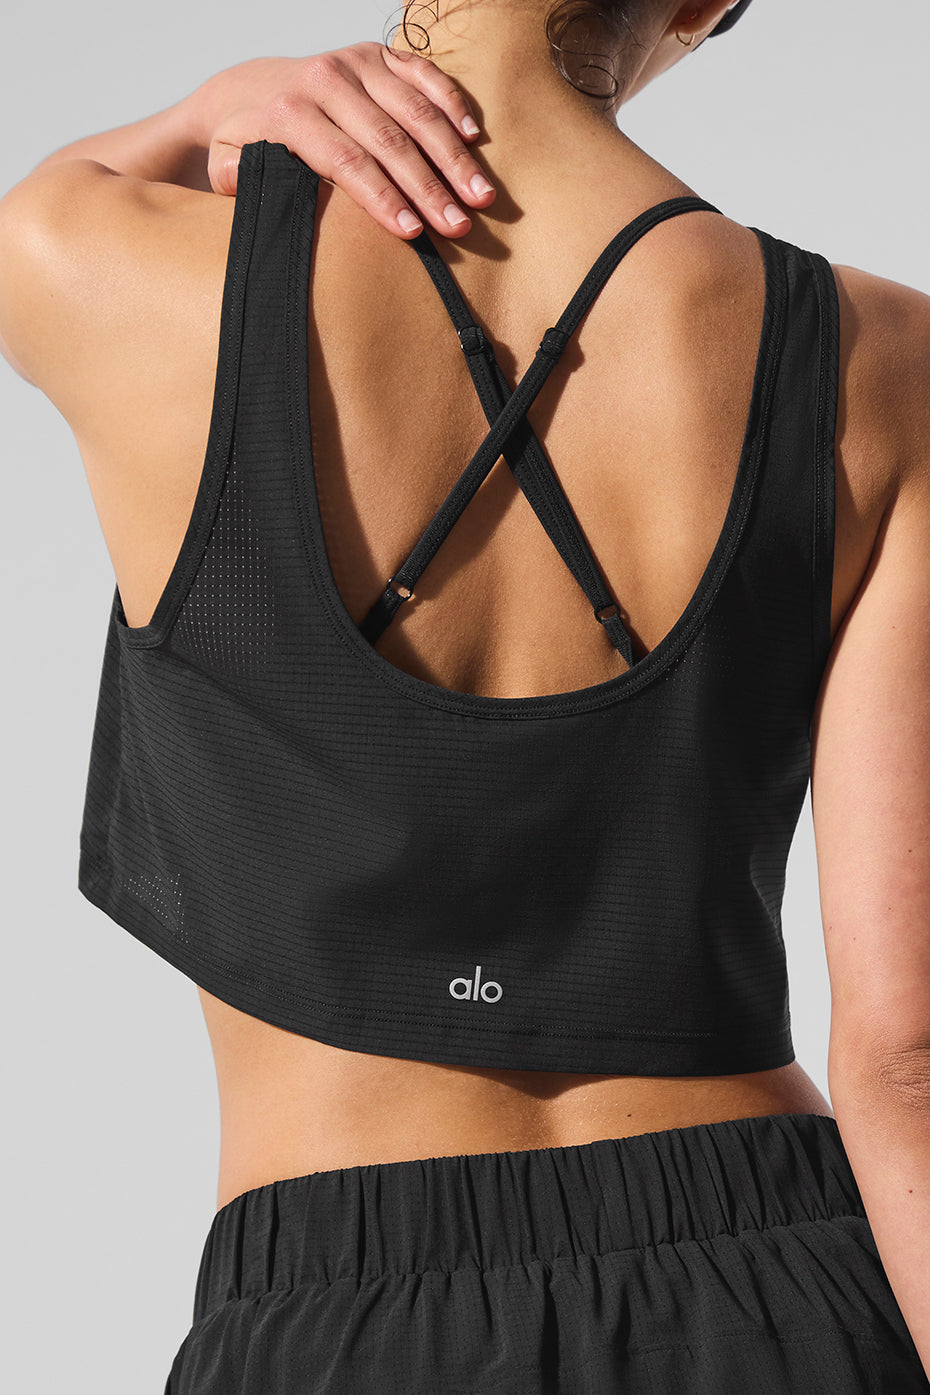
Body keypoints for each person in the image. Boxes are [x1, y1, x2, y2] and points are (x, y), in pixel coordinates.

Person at [1, 0, 929, 1389]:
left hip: (336, 1306)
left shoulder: (95, 259)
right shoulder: (882, 357)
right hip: (779, 1283)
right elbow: (906, 1057)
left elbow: (46, 206)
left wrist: (205, 112)